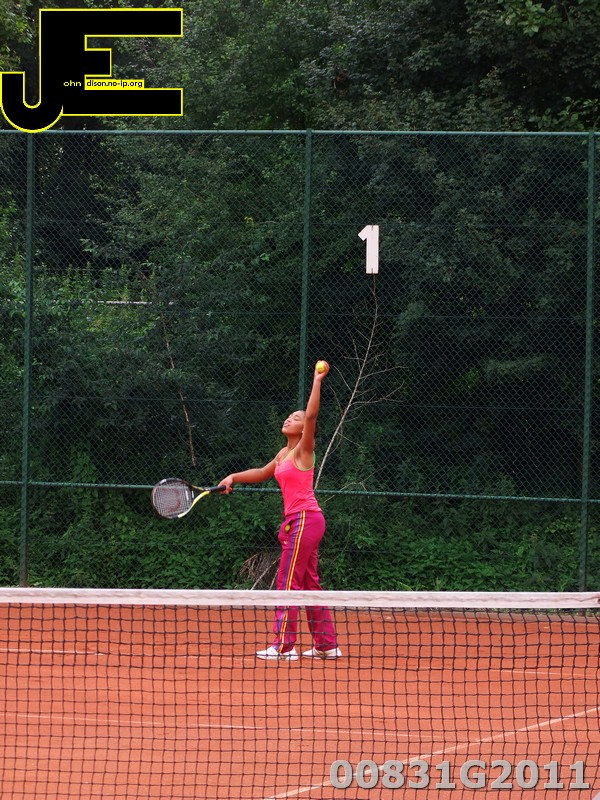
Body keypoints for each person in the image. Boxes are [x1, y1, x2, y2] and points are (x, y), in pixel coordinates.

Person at [220, 361, 341, 661]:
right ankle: (326, 645)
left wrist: (317, 381)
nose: (290, 418)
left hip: (304, 519)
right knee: (308, 583)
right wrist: (233, 477)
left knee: (288, 580)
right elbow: (262, 473)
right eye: (289, 416)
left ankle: (284, 646)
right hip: (302, 521)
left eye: (295, 418)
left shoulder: (304, 449)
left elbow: (311, 415)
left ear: (304, 429)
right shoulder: (283, 453)